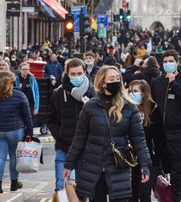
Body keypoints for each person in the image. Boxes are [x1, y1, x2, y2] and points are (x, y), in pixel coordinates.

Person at [63, 66, 151, 202]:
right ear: (102, 83)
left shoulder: (129, 107)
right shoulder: (90, 107)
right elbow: (80, 138)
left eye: (118, 78)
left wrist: (145, 165)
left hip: (118, 166)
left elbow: (139, 139)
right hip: (93, 169)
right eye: (112, 79)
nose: (116, 81)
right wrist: (69, 164)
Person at [150, 50, 181, 202]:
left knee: (177, 172)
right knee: (158, 171)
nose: (168, 64)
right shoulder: (157, 82)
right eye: (165, 61)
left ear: (177, 62)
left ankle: (175, 199)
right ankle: (163, 198)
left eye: (171, 61)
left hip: (178, 133)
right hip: (159, 134)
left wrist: (174, 84)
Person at [47, 58, 94, 192]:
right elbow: (51, 119)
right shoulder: (58, 93)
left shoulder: (92, 93)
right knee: (61, 187)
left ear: (85, 72)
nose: (76, 77)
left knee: (83, 189)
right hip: (64, 146)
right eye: (73, 74)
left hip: (86, 147)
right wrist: (60, 135)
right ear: (67, 73)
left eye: (79, 73)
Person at [128, 79, 170, 202]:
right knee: (132, 194)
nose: (131, 94)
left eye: (135, 91)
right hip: (129, 159)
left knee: (144, 193)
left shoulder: (153, 110)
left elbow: (160, 139)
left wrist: (165, 166)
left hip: (149, 159)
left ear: (143, 93)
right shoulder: (126, 109)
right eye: (130, 91)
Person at [0, 71, 33, 193]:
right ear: (11, 81)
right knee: (14, 157)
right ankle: (14, 184)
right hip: (16, 130)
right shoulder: (19, 95)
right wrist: (29, 132)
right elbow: (27, 116)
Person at [14, 62, 40, 127]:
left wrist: (36, 108)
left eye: (26, 69)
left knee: (31, 124)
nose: (25, 71)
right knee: (21, 124)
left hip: (30, 104)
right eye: (23, 69)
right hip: (19, 104)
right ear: (20, 70)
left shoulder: (32, 79)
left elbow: (37, 94)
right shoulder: (16, 79)